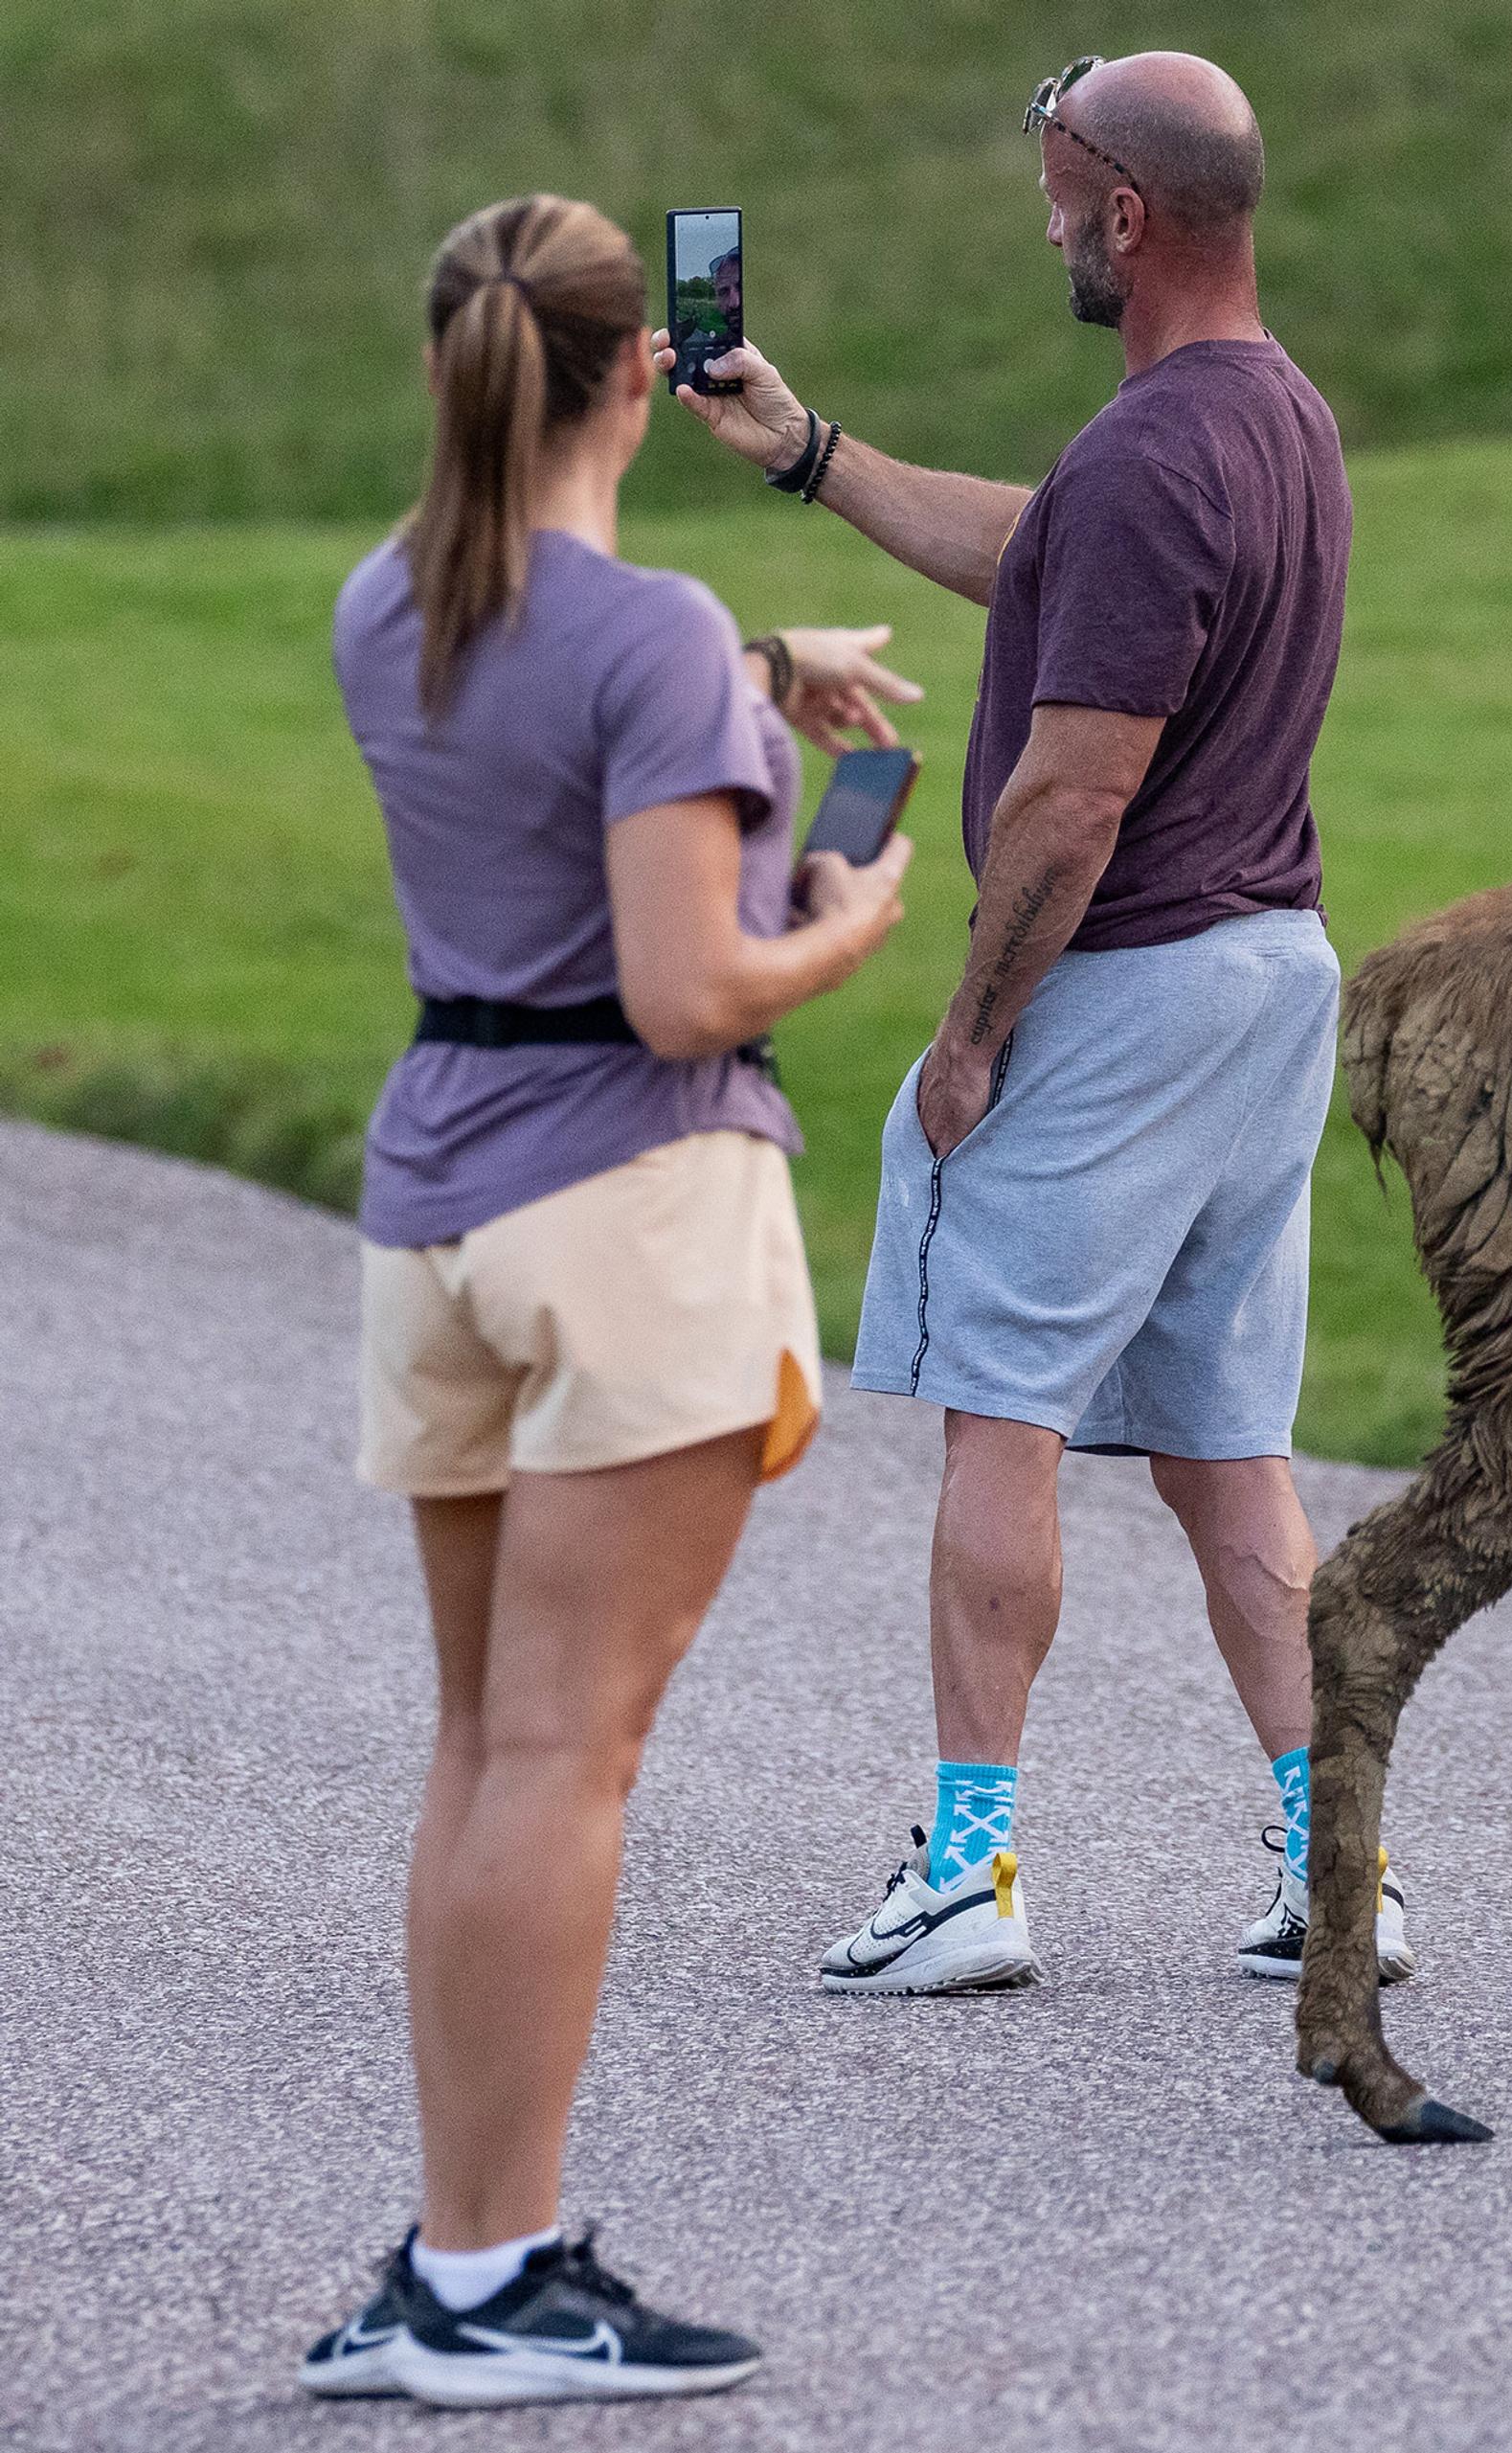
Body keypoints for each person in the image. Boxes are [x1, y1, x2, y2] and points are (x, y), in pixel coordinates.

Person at [668, 51, 1410, 1998]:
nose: (1047, 225)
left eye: (1062, 195)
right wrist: (808, 450)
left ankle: (973, 1871)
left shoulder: (1161, 450)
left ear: (1131, 216)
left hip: (1128, 992)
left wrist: (977, 1029)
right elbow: (1048, 551)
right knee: (1230, 1446)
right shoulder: (1269, 417)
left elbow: (1070, 797)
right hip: (1271, 984)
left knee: (1002, 1419)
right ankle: (1339, 1870)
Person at [297, 192, 919, 2408]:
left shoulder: (395, 602)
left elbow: (544, 684)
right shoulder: (643, 634)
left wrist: (754, 683)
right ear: (643, 377)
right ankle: (489, 2287)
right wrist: (850, 906)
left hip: (438, 1206)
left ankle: (461, 2264)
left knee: (486, 1747)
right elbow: (688, 988)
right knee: (573, 1756)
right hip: (631, 1206)